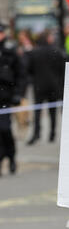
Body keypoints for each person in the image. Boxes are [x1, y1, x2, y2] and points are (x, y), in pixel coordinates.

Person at [26, 30, 66, 145]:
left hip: (39, 85)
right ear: (48, 39)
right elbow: (62, 69)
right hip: (53, 86)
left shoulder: (34, 52)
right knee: (52, 111)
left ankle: (36, 133)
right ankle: (52, 134)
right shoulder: (57, 51)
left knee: (37, 111)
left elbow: (29, 69)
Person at [0, 22, 26, 176]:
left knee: (5, 130)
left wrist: (18, 93)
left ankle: (11, 157)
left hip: (5, 99)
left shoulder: (10, 52)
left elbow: (21, 75)